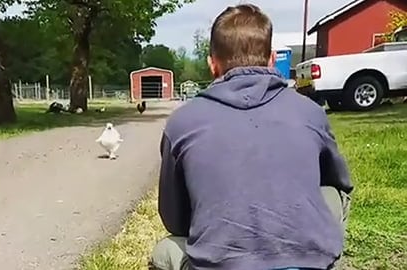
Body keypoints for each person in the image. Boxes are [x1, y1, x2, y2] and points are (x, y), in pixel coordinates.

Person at [149, 3, 353, 270]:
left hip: (220, 264)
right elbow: (338, 181)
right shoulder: (311, 112)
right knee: (334, 193)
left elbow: (175, 220)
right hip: (307, 263)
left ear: (212, 64)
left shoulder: (182, 122)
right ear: (271, 60)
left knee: (164, 250)